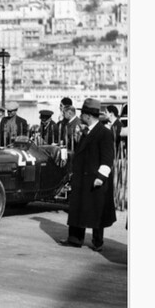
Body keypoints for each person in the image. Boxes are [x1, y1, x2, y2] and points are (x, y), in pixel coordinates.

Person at [60, 98, 117, 252]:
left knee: (97, 212)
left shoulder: (104, 133)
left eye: (82, 114)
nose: (81, 116)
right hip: (82, 178)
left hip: (94, 178)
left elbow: (107, 158)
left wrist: (101, 177)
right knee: (78, 208)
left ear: (88, 116)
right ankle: (75, 239)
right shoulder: (87, 131)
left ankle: (98, 242)